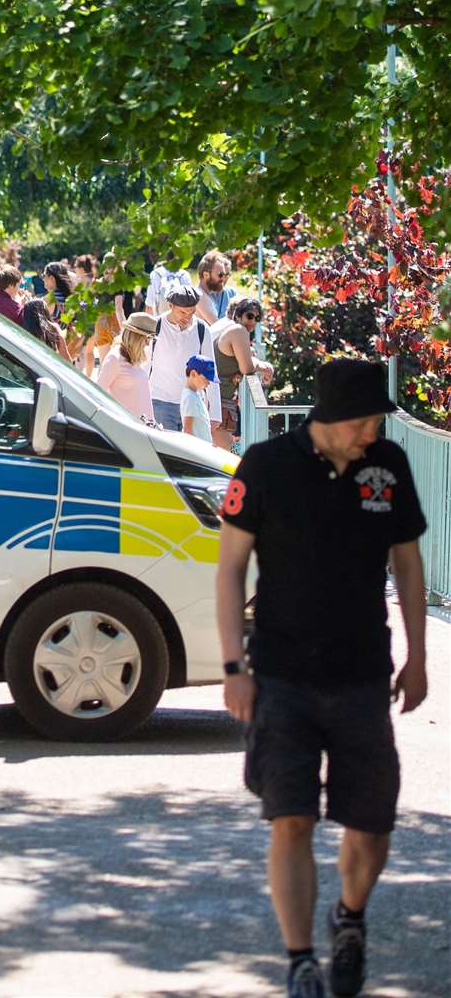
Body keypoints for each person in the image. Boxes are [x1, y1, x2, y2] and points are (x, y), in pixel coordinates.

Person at [216, 359, 428, 998]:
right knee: (292, 819)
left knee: (372, 825)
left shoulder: (386, 466)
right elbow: (229, 571)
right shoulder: (264, 466)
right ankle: (301, 959)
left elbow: (410, 566)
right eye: (367, 421)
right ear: (335, 419)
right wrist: (234, 667)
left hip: (364, 671)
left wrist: (418, 657)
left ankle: (351, 916)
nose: (374, 433)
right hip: (282, 673)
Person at [147, 283, 217, 431]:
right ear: (170, 306)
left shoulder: (202, 329)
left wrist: (215, 413)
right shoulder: (155, 326)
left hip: (193, 402)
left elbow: (210, 369)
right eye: (182, 312)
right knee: (165, 451)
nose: (187, 317)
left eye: (191, 312)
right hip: (160, 402)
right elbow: (144, 366)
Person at [211, 296, 275, 451]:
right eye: (250, 316)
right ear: (238, 315)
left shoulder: (233, 331)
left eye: (257, 318)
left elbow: (244, 364)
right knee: (221, 458)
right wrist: (264, 367)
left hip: (222, 401)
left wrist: (258, 364)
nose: (253, 321)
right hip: (219, 402)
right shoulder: (239, 331)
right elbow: (247, 367)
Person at [94, 311, 156, 422]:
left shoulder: (134, 357)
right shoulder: (115, 358)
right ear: (136, 337)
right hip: (126, 429)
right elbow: (96, 395)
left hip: (144, 430)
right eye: (147, 339)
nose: (148, 344)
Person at [181, 355, 216, 443]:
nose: (209, 383)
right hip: (196, 451)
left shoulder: (197, 394)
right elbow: (187, 430)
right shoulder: (190, 397)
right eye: (206, 379)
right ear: (193, 374)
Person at [194, 249, 234, 324]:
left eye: (225, 275)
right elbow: (217, 327)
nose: (223, 278)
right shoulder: (199, 296)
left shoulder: (204, 295)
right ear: (206, 275)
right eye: (220, 275)